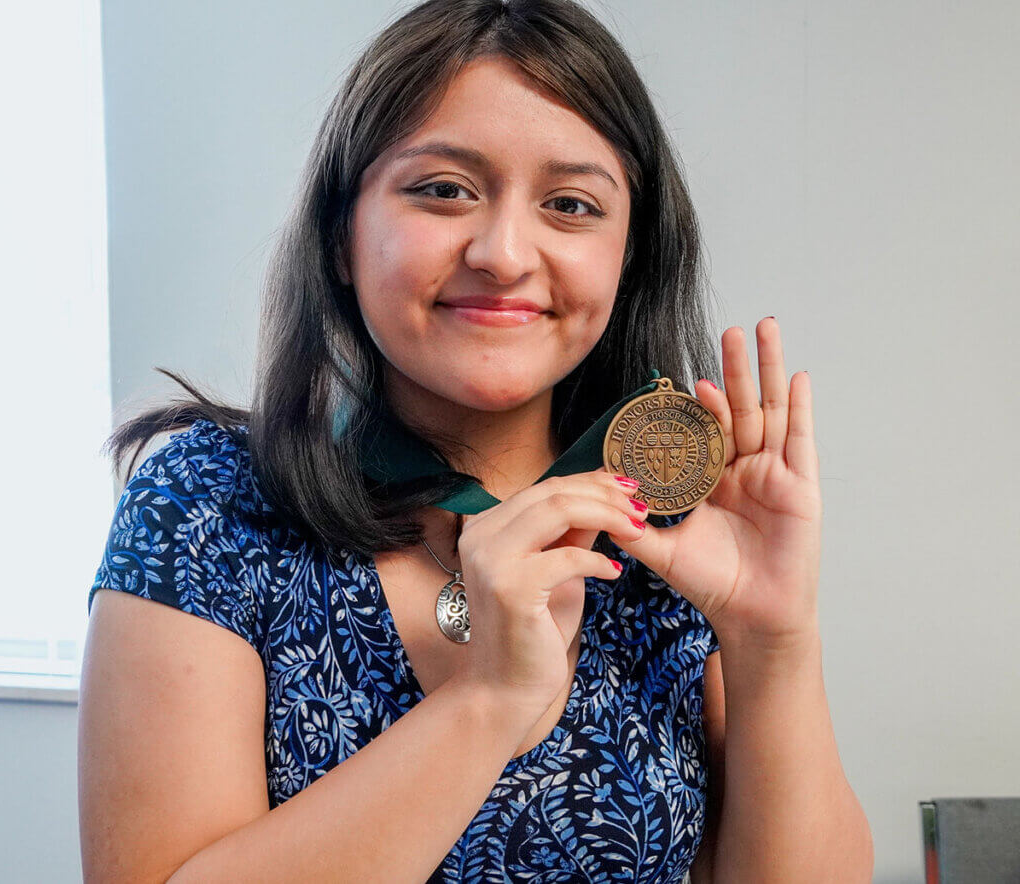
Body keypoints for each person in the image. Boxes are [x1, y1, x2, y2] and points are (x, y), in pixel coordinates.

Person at [78, 1, 873, 881]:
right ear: (342, 235)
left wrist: (772, 640)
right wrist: (491, 699)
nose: (503, 253)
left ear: (628, 258)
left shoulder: (676, 534)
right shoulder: (207, 500)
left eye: (570, 205)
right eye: (444, 190)